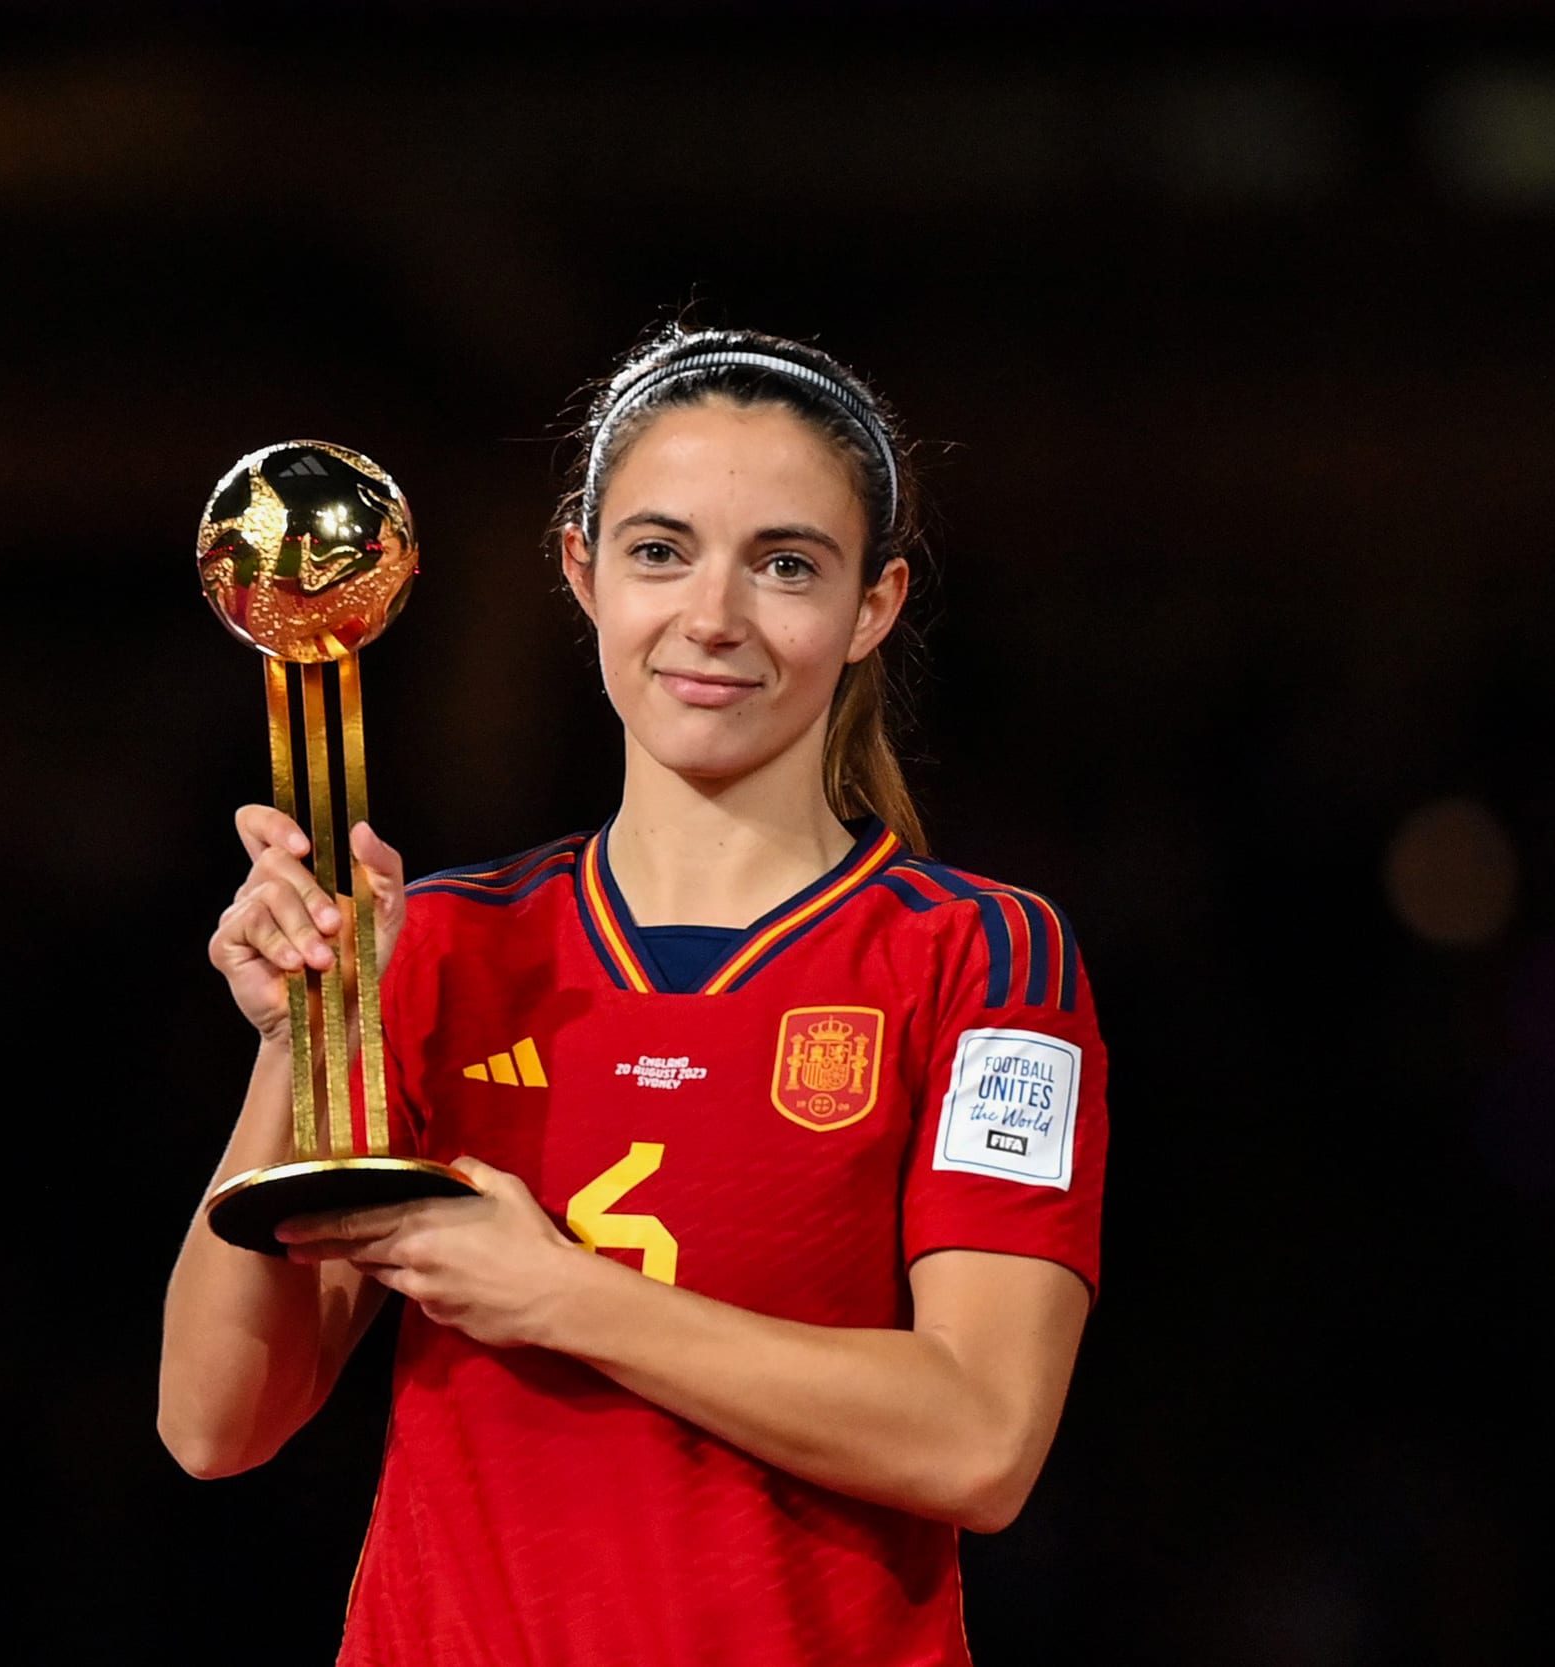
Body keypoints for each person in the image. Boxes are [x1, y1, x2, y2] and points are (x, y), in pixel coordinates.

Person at [158, 326, 1108, 1667]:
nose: (712, 617)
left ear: (874, 608)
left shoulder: (982, 959)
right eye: (661, 552)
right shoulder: (443, 946)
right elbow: (217, 1423)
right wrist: (299, 1042)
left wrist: (556, 1295)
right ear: (580, 569)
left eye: (787, 565)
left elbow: (980, 1439)